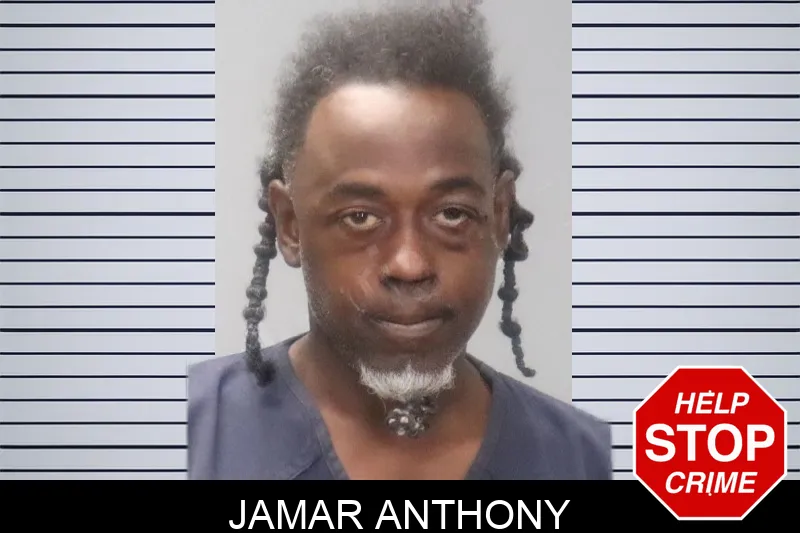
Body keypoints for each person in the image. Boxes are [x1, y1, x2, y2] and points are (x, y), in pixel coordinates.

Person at [188, 1, 612, 480]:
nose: (410, 265)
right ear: (289, 224)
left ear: (499, 216)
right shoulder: (186, 434)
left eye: (451, 214)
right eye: (361, 217)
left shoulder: (590, 461)